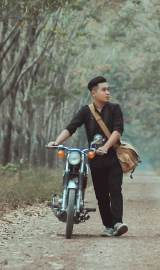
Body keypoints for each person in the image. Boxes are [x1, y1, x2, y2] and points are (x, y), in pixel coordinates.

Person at [48, 76, 128, 237]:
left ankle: (118, 223)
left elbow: (118, 130)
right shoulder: (86, 111)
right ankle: (108, 226)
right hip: (95, 160)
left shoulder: (115, 109)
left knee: (115, 189)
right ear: (93, 93)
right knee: (101, 194)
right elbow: (71, 127)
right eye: (103, 90)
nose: (107, 92)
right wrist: (56, 142)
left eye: (108, 89)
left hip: (113, 158)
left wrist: (105, 147)